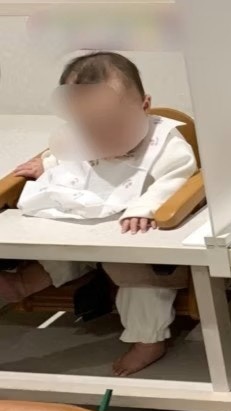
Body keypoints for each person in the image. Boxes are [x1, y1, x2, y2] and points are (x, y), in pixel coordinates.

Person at [0, 51, 197, 376]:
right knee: (60, 251)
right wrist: (48, 165)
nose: (102, 139)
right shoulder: (81, 135)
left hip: (132, 238)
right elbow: (69, 156)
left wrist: (145, 208)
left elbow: (177, 179)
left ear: (144, 106)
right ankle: (22, 284)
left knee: (142, 286)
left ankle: (148, 340)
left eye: (113, 126)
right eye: (88, 128)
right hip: (87, 226)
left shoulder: (165, 144)